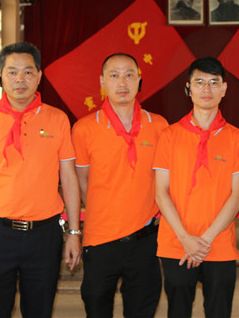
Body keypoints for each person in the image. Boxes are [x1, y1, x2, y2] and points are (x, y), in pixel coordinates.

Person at [0, 41, 81, 318]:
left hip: (44, 235)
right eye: (12, 72)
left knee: (39, 311)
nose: (20, 79)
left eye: (28, 72)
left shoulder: (58, 119)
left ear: (39, 76)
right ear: (0, 76)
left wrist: (74, 234)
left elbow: (69, 178)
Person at [72, 53, 168, 317]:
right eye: (114, 76)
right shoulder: (84, 128)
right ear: (102, 81)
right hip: (101, 239)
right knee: (96, 307)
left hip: (145, 239)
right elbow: (82, 181)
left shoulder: (159, 126)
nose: (122, 82)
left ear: (139, 80)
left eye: (129, 75)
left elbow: (167, 181)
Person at [154, 57, 239, 318]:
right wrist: (186, 239)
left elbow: (237, 196)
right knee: (178, 311)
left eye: (213, 83)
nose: (207, 89)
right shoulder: (169, 135)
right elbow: (160, 192)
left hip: (218, 244)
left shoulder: (237, 137)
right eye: (199, 82)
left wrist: (203, 242)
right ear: (188, 88)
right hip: (176, 243)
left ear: (224, 89)